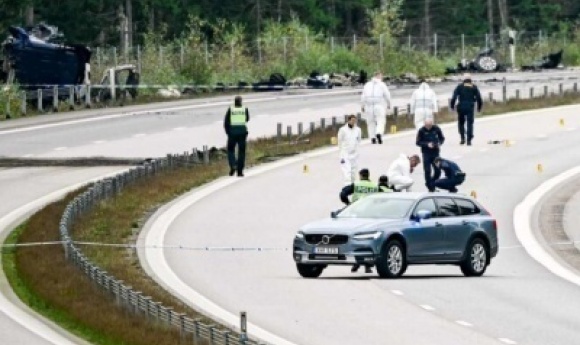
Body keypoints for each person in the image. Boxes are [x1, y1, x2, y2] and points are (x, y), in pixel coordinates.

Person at [450, 73, 483, 146]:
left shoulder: (459, 87)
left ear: (463, 79)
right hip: (470, 106)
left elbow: (454, 97)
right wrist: (479, 107)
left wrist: (452, 106)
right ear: (470, 79)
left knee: (461, 123)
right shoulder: (474, 87)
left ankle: (462, 138)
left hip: (461, 106)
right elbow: (479, 98)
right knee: (470, 123)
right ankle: (469, 140)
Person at [361, 71, 391, 144]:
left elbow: (363, 96)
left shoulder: (367, 85)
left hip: (369, 106)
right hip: (379, 105)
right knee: (381, 120)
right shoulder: (382, 85)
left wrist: (362, 105)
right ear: (379, 76)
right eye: (381, 76)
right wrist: (389, 103)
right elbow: (387, 95)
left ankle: (372, 138)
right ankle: (379, 133)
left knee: (370, 122)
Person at [416, 118, 445, 192]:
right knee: (427, 170)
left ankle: (432, 182)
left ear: (432, 124)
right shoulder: (421, 130)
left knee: (438, 170)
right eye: (427, 125)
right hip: (426, 153)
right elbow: (418, 142)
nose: (428, 127)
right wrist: (427, 144)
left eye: (430, 125)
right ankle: (430, 187)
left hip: (436, 152)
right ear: (424, 124)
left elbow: (442, 138)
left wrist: (439, 143)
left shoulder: (436, 128)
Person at [224, 95, 250, 177]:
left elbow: (226, 122)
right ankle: (240, 171)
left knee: (230, 150)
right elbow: (247, 119)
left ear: (234, 102)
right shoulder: (244, 109)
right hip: (242, 132)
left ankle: (233, 165)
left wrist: (228, 132)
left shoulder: (231, 109)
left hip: (232, 133)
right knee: (241, 152)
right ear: (241, 102)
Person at [338, 115, 362, 185]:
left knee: (353, 172)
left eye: (355, 120)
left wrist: (356, 151)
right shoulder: (342, 130)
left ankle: (353, 186)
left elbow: (359, 140)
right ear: (348, 120)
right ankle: (347, 186)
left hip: (354, 154)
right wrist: (341, 153)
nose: (353, 122)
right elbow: (339, 141)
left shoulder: (358, 130)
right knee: (347, 172)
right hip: (345, 154)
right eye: (352, 120)